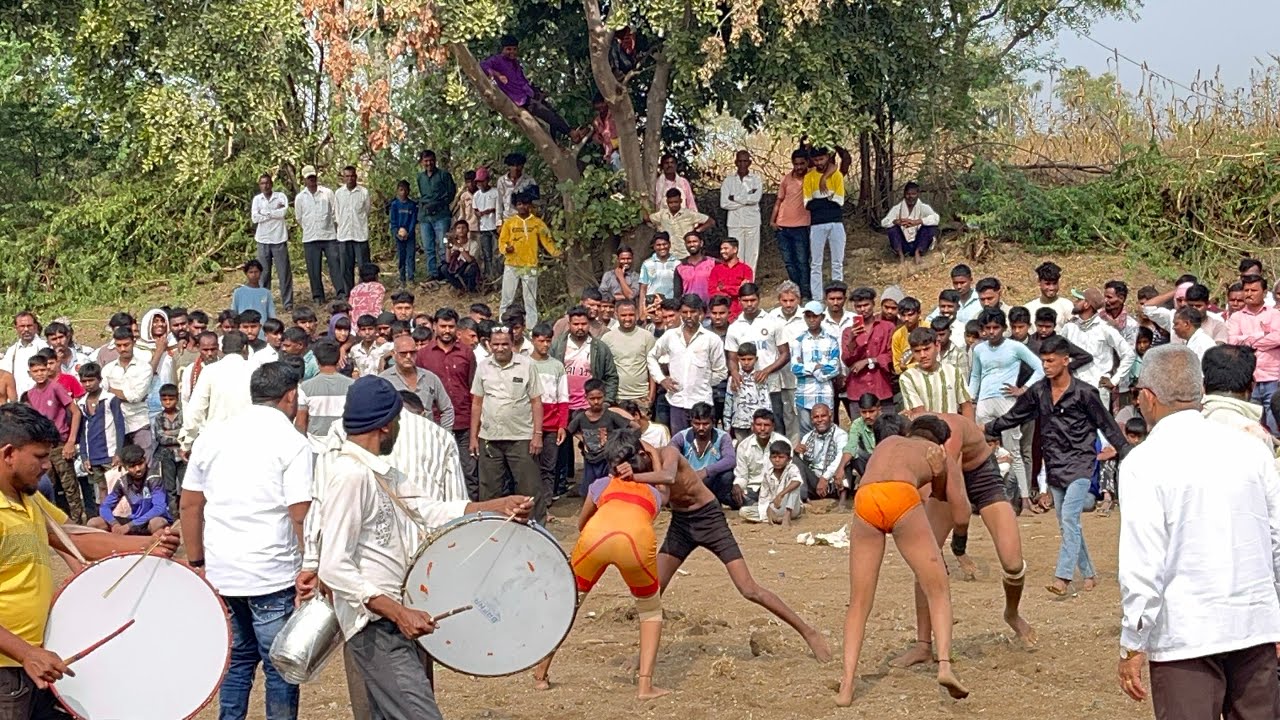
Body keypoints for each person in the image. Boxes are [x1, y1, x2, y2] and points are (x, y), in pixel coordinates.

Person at [315, 376, 533, 720]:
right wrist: (399, 613)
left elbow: (431, 510)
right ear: (387, 425)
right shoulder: (349, 475)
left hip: (398, 618)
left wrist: (496, 505)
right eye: (399, 420)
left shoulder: (383, 473)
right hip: (377, 625)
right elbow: (332, 566)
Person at [1117, 344, 1280, 719]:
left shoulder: (1144, 461)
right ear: (1200, 389)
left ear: (1147, 397)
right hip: (1252, 626)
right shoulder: (1252, 448)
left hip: (1186, 634)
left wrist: (1132, 644)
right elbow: (1276, 542)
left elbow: (1143, 564)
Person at [0, 404, 180, 717]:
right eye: (40, 457)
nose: (47, 467)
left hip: (42, 659)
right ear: (8, 454)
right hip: (8, 670)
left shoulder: (27, 496)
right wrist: (25, 653)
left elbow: (69, 536)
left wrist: (145, 544)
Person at [180, 362, 313, 720]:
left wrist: (197, 562)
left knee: (237, 662)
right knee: (280, 666)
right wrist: (311, 564)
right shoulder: (292, 441)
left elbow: (190, 504)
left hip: (224, 572)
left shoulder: (212, 435)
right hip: (271, 573)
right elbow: (300, 512)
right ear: (290, 396)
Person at [631, 442, 830, 660]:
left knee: (748, 588)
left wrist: (634, 476)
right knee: (652, 592)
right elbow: (665, 497)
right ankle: (643, 656)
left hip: (709, 519)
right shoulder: (644, 467)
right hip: (682, 524)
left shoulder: (668, 453)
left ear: (644, 453)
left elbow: (668, 477)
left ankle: (808, 632)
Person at [836, 415, 969, 706]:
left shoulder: (888, 443)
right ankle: (945, 664)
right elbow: (941, 495)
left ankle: (847, 685)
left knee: (859, 600)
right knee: (937, 588)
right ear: (941, 440)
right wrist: (940, 469)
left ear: (910, 431)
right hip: (900, 495)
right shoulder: (935, 451)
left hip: (867, 497)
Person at [890, 411, 1036, 671]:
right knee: (926, 558)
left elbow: (961, 509)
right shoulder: (912, 438)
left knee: (1013, 562)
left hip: (980, 474)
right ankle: (923, 644)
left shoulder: (951, 439)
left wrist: (959, 549)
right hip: (943, 475)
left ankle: (1011, 613)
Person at [986, 335, 1128, 597]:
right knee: (1066, 524)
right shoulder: (1038, 391)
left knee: (1070, 518)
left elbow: (1107, 424)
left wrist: (1127, 452)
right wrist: (986, 429)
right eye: (1043, 361)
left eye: (1051, 361)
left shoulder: (1085, 393)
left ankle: (1062, 577)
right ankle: (1089, 573)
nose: (1046, 365)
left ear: (1066, 360)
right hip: (1055, 465)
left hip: (1081, 462)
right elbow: (1015, 415)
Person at [533, 431, 671, 698]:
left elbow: (582, 523)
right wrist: (654, 454)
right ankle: (645, 685)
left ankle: (541, 672)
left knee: (568, 606)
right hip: (636, 543)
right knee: (650, 612)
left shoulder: (601, 485)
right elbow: (665, 486)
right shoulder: (653, 492)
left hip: (594, 539)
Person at [470, 327, 549, 520]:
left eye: (504, 344)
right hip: (489, 438)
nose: (500, 348)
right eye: (496, 344)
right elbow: (477, 403)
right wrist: (473, 436)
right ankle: (490, 526)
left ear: (512, 344)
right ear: (489, 344)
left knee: (529, 488)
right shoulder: (483, 366)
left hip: (521, 437)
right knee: (489, 489)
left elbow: (536, 401)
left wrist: (537, 435)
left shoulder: (526, 364)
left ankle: (536, 527)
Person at [969, 308, 1042, 507]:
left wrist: (1023, 389)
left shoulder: (1015, 347)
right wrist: (971, 399)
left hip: (1007, 402)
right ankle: (983, 498)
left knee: (1014, 451)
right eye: (987, 328)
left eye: (996, 327)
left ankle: (1024, 499)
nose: (992, 332)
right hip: (984, 402)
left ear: (1003, 328)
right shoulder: (978, 349)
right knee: (982, 451)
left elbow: (1040, 367)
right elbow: (975, 376)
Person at [647, 294, 727, 434]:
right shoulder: (671, 336)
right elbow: (651, 356)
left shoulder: (712, 340)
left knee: (703, 444)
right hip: (676, 402)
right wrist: (662, 379)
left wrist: (702, 381)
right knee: (679, 443)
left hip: (702, 403)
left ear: (701, 313)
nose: (688, 316)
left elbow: (721, 372)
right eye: (684, 312)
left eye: (693, 312)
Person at [24, 354, 82, 523]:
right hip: (42, 448)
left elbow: (75, 412)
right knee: (47, 487)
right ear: (30, 373)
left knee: (70, 487)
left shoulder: (56, 388)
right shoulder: (30, 394)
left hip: (60, 445)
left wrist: (71, 441)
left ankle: (77, 524)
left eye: (43, 369)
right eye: (36, 371)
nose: (40, 374)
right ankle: (52, 525)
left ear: (48, 369)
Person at [481, 35, 573, 140]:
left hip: (528, 94)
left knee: (552, 113)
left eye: (514, 49)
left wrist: (537, 92)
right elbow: (483, 65)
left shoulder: (515, 63)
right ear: (503, 49)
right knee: (547, 115)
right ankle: (571, 133)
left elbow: (522, 81)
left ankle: (560, 139)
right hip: (520, 99)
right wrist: (498, 75)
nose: (512, 52)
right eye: (509, 49)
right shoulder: (497, 60)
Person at [179, 331, 253, 454]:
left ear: (221, 349)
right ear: (245, 348)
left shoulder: (209, 371)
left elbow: (195, 411)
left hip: (216, 442)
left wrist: (186, 443)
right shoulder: (256, 370)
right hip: (249, 440)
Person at [1062, 288, 1135, 410]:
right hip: (1072, 388)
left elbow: (1128, 354)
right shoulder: (1069, 328)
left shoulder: (1105, 328)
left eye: (1078, 300)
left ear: (1087, 304)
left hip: (1097, 389)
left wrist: (1114, 380)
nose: (1074, 302)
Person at [1226, 273, 1280, 433]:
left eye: (1253, 290)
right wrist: (1262, 335)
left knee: (1274, 427)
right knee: (1251, 428)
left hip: (1273, 377)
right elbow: (1232, 342)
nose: (1249, 294)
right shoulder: (1236, 317)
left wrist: (1247, 341)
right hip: (1248, 379)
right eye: (1246, 290)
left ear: (1264, 292)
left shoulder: (1275, 315)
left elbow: (1277, 337)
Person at [498, 191, 560, 329]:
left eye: (525, 204)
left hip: (530, 265)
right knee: (507, 298)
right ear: (515, 206)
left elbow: (547, 241)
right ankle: (503, 326)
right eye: (519, 204)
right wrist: (506, 249)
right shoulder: (509, 223)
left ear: (530, 205)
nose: (522, 207)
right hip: (511, 264)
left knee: (530, 299)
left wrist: (557, 253)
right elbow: (502, 242)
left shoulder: (537, 223)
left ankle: (531, 329)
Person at [561, 379, 630, 496]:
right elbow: (569, 430)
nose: (596, 401)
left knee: (607, 487)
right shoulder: (581, 417)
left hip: (607, 459)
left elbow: (630, 427)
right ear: (586, 398)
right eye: (592, 399)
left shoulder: (610, 415)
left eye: (599, 398)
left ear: (604, 396)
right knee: (589, 489)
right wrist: (582, 439)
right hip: (590, 459)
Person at [88, 443, 171, 535]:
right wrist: (114, 524)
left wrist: (130, 525)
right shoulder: (122, 482)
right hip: (133, 520)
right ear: (124, 467)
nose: (138, 469)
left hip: (148, 522)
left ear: (145, 460)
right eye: (132, 466)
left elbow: (159, 508)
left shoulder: (154, 479)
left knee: (158, 523)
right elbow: (104, 507)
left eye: (140, 463)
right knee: (94, 523)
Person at [100, 327, 154, 459]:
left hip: (139, 422)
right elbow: (103, 395)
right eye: (119, 345)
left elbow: (135, 397)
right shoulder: (108, 369)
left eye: (126, 344)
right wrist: (122, 394)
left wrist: (112, 390)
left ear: (133, 342)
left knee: (145, 463)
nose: (123, 349)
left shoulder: (145, 368)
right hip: (115, 425)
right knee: (122, 467)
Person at [668, 402, 736, 505]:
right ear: (691, 422)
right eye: (696, 423)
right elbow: (669, 456)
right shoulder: (681, 437)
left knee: (727, 476)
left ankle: (717, 501)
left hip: (711, 480)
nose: (700, 428)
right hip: (688, 481)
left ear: (713, 422)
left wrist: (706, 471)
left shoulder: (723, 437)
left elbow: (730, 460)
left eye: (705, 424)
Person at [789, 300, 841, 434]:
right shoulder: (798, 341)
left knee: (828, 433)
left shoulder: (832, 340)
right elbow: (795, 368)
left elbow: (835, 368)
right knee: (806, 435)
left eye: (815, 316)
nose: (811, 320)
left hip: (825, 395)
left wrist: (807, 367)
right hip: (805, 396)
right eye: (808, 316)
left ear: (822, 317)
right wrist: (817, 367)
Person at [295, 165, 344, 304]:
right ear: (304, 180)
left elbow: (335, 212)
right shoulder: (300, 198)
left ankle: (340, 292)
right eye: (309, 178)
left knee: (335, 265)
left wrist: (335, 228)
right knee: (313, 269)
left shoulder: (327, 193)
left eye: (313, 177)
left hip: (329, 236)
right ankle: (318, 296)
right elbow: (299, 217)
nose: (312, 180)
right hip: (310, 237)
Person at [900, 327, 974, 419]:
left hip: (954, 429)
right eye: (917, 351)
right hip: (925, 430)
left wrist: (970, 430)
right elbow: (919, 413)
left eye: (926, 349)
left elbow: (966, 405)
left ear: (937, 346)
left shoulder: (953, 371)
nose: (922, 355)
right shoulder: (908, 377)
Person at [379, 336, 453, 427]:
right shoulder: (383, 380)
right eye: (403, 353)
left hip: (427, 435)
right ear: (394, 354)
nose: (408, 356)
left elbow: (447, 409)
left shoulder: (430, 378)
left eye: (412, 353)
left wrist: (443, 434)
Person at [802, 147, 846, 300]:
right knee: (816, 263)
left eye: (821, 159)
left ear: (828, 157)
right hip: (817, 224)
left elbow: (839, 202)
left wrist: (819, 201)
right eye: (816, 160)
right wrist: (828, 199)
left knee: (837, 262)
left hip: (836, 223)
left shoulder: (837, 175)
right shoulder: (809, 177)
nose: (819, 162)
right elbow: (807, 204)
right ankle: (817, 297)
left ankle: (838, 293)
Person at [842, 287, 894, 412]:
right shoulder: (848, 331)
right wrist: (852, 340)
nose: (863, 309)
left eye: (866, 305)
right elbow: (847, 361)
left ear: (873, 304)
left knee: (887, 429)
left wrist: (869, 361)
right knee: (859, 429)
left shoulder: (887, 327)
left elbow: (892, 355)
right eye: (858, 306)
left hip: (881, 387)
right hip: (857, 389)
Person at [770, 149, 812, 298]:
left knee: (802, 261)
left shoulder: (812, 177)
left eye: (802, 163)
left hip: (801, 226)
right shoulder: (786, 179)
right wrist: (773, 220)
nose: (799, 167)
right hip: (782, 227)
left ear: (807, 162)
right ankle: (796, 292)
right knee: (789, 262)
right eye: (796, 164)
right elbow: (779, 201)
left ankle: (806, 293)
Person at [250, 173, 294, 311]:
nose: (265, 185)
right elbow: (255, 218)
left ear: (272, 184)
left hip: (279, 239)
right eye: (262, 183)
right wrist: (272, 212)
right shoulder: (257, 199)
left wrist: (265, 213)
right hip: (262, 240)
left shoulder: (280, 197)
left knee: (284, 273)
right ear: (259, 185)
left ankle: (287, 303)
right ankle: (264, 303)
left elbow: (282, 213)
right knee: (263, 274)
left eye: (267, 183)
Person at [415, 150, 457, 282]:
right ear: (422, 162)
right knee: (428, 246)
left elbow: (451, 193)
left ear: (435, 160)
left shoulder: (444, 175)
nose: (429, 163)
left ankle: (446, 271)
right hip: (425, 217)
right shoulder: (420, 177)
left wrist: (437, 204)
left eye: (431, 160)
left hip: (441, 215)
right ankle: (433, 273)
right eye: (426, 161)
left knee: (444, 244)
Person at [739, 440, 803, 525]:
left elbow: (797, 481)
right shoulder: (768, 474)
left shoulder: (792, 468)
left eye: (781, 457)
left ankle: (787, 516)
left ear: (789, 459)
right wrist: (769, 509)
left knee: (795, 484)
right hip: (776, 507)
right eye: (774, 457)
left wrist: (781, 495)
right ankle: (776, 519)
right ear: (770, 458)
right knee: (743, 511)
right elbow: (764, 498)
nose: (777, 460)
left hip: (792, 507)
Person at [793, 403, 848, 502]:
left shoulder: (841, 435)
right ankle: (803, 499)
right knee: (794, 459)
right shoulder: (807, 437)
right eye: (816, 417)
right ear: (811, 419)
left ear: (830, 416)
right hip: (815, 480)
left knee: (846, 459)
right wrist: (797, 453)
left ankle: (842, 499)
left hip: (833, 481)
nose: (819, 420)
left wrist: (825, 478)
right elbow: (804, 463)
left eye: (823, 416)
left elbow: (841, 457)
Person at [720, 150, 763, 268]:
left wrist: (734, 198)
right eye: (740, 161)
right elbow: (724, 203)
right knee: (735, 254)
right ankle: (737, 284)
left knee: (752, 255)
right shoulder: (728, 181)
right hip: (734, 223)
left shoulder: (756, 179)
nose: (742, 164)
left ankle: (749, 284)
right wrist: (746, 200)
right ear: (736, 162)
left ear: (749, 162)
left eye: (745, 161)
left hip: (752, 222)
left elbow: (755, 199)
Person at [645, 190, 713, 262]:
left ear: (680, 201)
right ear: (667, 202)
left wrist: (697, 231)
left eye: (676, 202)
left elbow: (710, 221)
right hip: (669, 255)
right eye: (671, 202)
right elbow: (647, 218)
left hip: (685, 254)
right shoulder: (662, 215)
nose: (673, 205)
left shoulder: (689, 214)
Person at [882, 182, 939, 263]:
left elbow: (936, 218)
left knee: (930, 226)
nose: (910, 197)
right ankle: (900, 255)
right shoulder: (897, 208)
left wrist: (917, 222)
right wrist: (896, 221)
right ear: (904, 194)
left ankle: (918, 252)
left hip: (918, 242)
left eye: (913, 194)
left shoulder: (924, 207)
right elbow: (884, 222)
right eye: (908, 194)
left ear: (918, 194)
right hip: (904, 244)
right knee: (892, 228)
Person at [335, 165, 370, 294]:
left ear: (356, 177)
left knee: (364, 267)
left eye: (352, 176)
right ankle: (349, 293)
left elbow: (366, 211)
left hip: (360, 234)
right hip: (344, 235)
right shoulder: (339, 193)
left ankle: (364, 292)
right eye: (347, 176)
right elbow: (337, 214)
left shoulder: (363, 192)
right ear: (343, 178)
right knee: (346, 267)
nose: (350, 179)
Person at [150, 383, 184, 509]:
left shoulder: (184, 416)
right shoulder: (159, 418)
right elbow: (161, 438)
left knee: (185, 485)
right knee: (170, 488)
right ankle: (173, 515)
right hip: (166, 456)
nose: (168, 402)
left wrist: (170, 433)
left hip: (183, 455)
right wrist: (178, 434)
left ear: (177, 399)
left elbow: (187, 434)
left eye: (171, 399)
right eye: (164, 399)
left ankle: (185, 514)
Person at [3, 312, 47, 399]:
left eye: (29, 326)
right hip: (18, 400)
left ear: (35, 326)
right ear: (16, 328)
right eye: (22, 326)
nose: (26, 329)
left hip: (41, 398)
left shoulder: (44, 347)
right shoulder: (12, 351)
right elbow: (5, 375)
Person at [708, 239, 753, 320]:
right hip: (721, 315)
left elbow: (745, 292)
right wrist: (736, 289)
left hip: (740, 314)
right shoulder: (716, 270)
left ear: (735, 249)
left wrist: (723, 288)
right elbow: (712, 291)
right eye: (721, 249)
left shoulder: (746, 269)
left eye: (725, 248)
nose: (722, 251)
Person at [637, 233, 679, 314]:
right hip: (652, 305)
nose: (662, 247)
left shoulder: (677, 263)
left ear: (669, 245)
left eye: (664, 244)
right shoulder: (647, 264)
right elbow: (643, 288)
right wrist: (642, 311)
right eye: (658, 245)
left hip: (671, 305)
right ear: (654, 246)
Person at [389, 179, 419, 284]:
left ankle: (411, 277)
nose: (403, 192)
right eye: (401, 190)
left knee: (410, 256)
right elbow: (393, 221)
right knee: (401, 256)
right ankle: (402, 278)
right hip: (399, 235)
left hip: (409, 236)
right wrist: (396, 233)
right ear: (397, 191)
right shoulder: (394, 205)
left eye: (405, 190)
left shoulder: (412, 205)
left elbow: (413, 220)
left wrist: (409, 233)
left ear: (409, 191)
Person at [442, 219, 481, 293]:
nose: (461, 230)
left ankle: (470, 290)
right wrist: (448, 246)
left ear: (468, 230)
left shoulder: (473, 243)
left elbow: (470, 260)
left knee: (473, 267)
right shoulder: (453, 243)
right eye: (458, 228)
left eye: (463, 228)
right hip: (455, 268)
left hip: (466, 268)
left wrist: (459, 246)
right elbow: (448, 260)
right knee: (444, 268)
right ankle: (460, 288)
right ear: (455, 231)